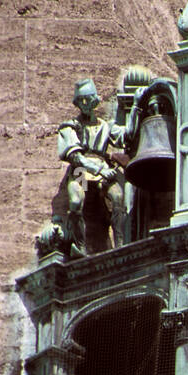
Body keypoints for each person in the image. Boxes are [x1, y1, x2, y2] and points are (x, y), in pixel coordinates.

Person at [57, 78, 130, 253]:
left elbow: (125, 135)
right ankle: (80, 246)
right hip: (82, 170)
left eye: (88, 99)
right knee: (76, 201)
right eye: (81, 100)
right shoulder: (70, 127)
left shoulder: (105, 126)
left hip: (102, 170)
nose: (85, 104)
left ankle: (120, 244)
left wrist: (137, 110)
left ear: (95, 100)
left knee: (118, 197)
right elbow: (76, 158)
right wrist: (101, 170)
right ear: (77, 102)